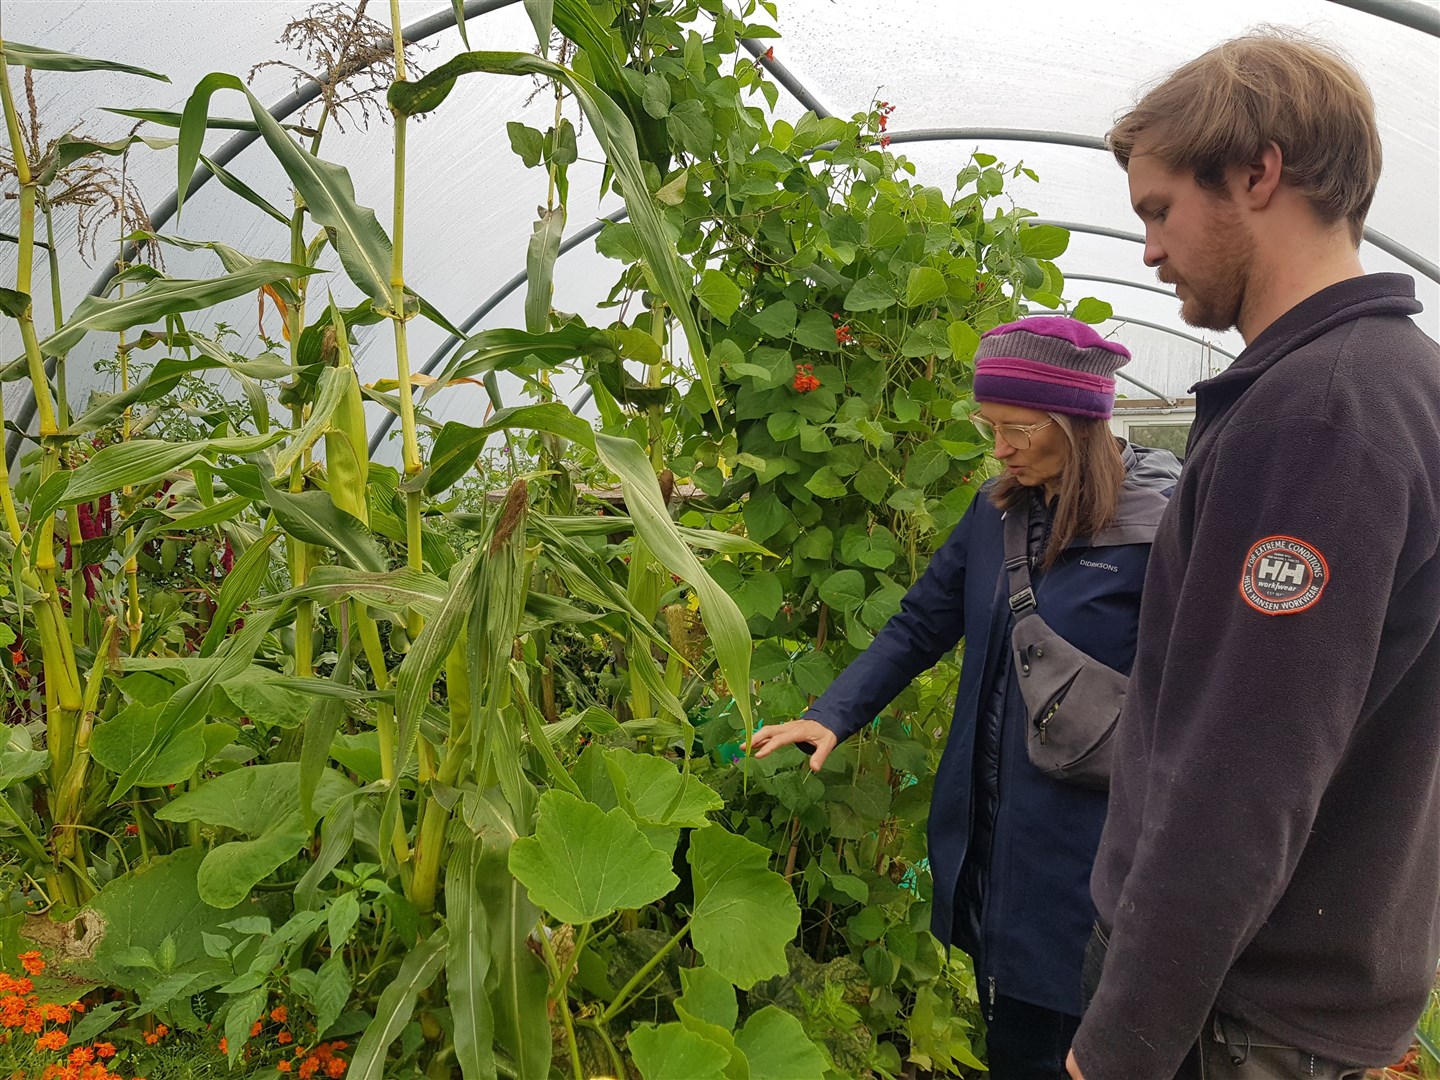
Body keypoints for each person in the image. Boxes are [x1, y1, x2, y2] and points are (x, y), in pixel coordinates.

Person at [1066, 31, 1440, 1080]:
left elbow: (1246, 771)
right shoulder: (1396, 380)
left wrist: (1126, 1039)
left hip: (1236, 1009)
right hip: (1289, 988)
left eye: (1157, 210)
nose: (1146, 249)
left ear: (1258, 173)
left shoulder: (1321, 415)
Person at [750, 316, 1181, 1080]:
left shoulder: (1164, 531)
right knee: (1011, 1029)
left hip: (1094, 853)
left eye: (1019, 427)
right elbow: (921, 621)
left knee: (1082, 1034)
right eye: (991, 427)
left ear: (1081, 423)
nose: (1001, 447)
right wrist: (833, 712)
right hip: (993, 834)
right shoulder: (997, 514)